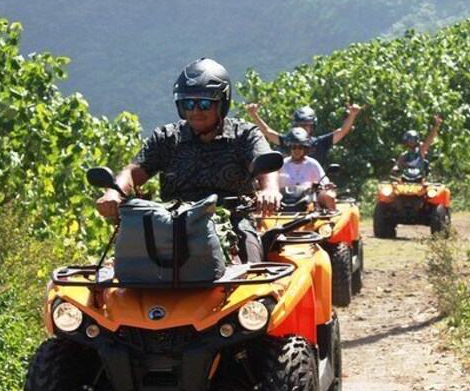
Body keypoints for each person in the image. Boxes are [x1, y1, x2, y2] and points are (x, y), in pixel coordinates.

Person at [96, 58, 281, 263]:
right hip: (171, 227)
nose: (195, 111)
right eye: (188, 103)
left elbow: (264, 165)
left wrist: (270, 190)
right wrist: (114, 192)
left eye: (204, 103)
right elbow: (133, 172)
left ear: (222, 103)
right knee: (122, 272)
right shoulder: (166, 138)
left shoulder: (244, 134)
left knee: (252, 275)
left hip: (233, 223)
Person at [246, 100, 362, 165]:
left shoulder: (320, 142)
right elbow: (268, 132)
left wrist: (352, 114)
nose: (302, 128)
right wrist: (253, 114)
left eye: (306, 125)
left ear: (312, 127)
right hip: (288, 187)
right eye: (299, 125)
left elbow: (343, 130)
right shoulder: (288, 140)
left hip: (314, 187)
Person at [279, 127, 336, 210]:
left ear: (305, 148)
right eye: (294, 147)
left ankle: (332, 220)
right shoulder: (282, 164)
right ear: (289, 148)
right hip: (284, 202)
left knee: (329, 195)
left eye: (300, 147)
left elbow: (324, 182)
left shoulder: (312, 163)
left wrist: (327, 186)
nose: (297, 150)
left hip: (309, 202)